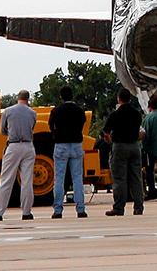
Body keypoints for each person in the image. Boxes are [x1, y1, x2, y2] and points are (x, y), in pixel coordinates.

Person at [0, 90, 37, 221]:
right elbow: (32, 127)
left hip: (13, 145)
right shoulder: (33, 113)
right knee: (27, 181)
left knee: (6, 179)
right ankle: (26, 212)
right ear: (28, 99)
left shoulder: (8, 111)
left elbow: (2, 130)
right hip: (28, 146)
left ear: (18, 98)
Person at [103, 88, 145, 216]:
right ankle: (138, 207)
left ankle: (119, 207)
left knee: (120, 178)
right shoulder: (137, 114)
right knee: (136, 178)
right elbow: (140, 132)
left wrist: (110, 141)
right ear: (130, 99)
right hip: (134, 146)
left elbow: (105, 132)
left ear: (118, 99)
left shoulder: (115, 114)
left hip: (120, 146)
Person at [48, 86, 88, 218]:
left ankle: (58, 210)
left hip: (61, 145)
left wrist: (56, 135)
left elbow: (51, 126)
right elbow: (83, 123)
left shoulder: (56, 111)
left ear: (61, 96)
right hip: (76, 144)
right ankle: (80, 209)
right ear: (72, 96)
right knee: (77, 178)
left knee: (59, 178)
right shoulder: (79, 110)